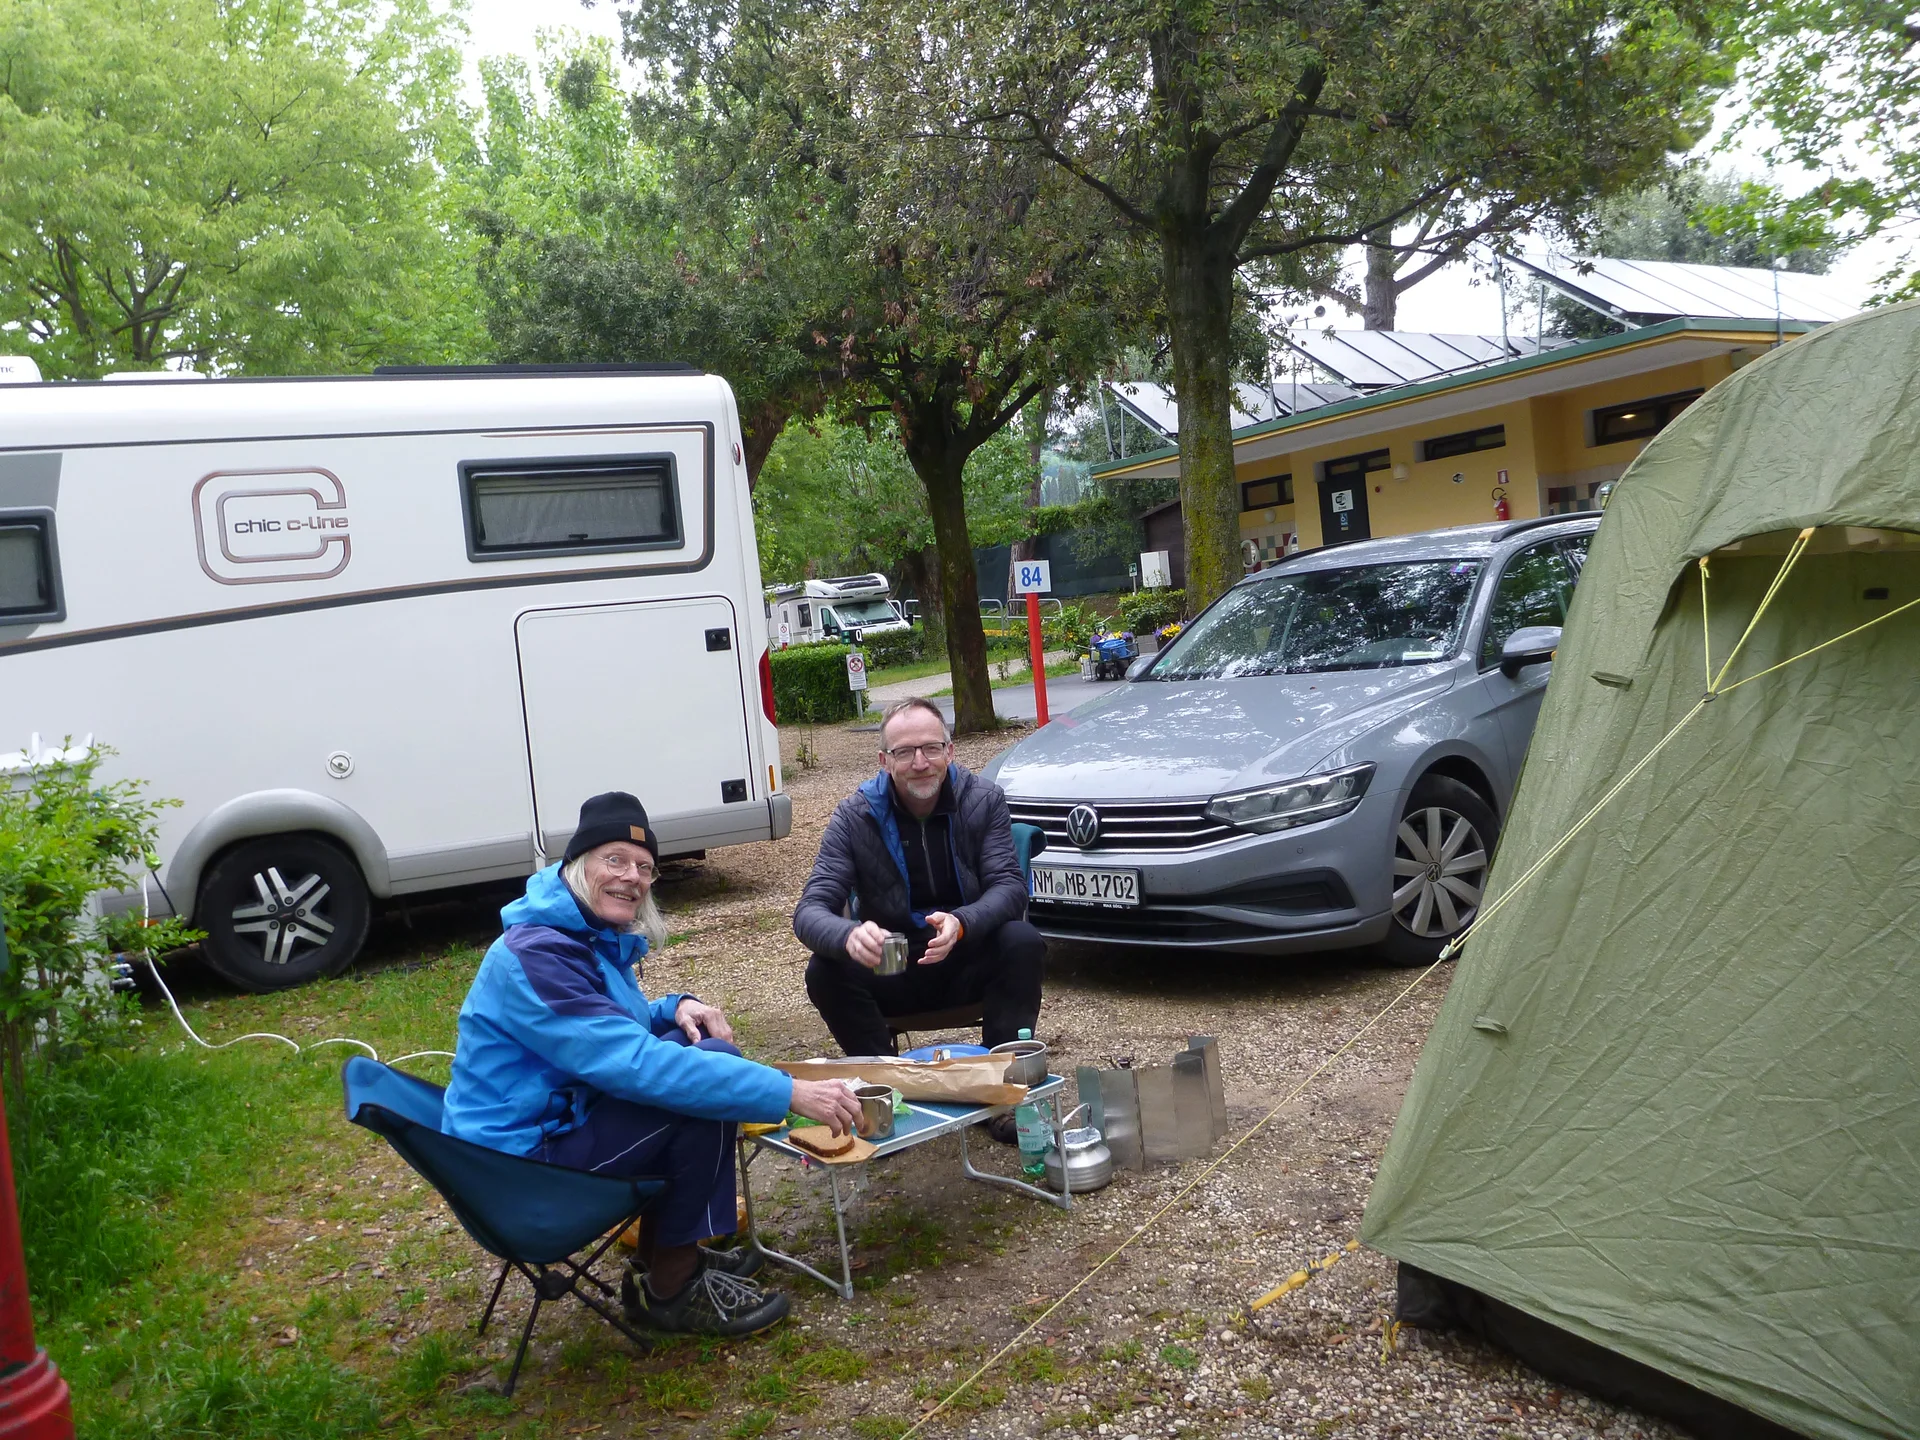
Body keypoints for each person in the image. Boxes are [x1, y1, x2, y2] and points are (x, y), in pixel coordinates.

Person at [442, 791, 861, 1337]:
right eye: (614, 860)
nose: (632, 878)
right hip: (515, 1176)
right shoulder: (537, 957)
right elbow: (636, 1063)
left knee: (704, 1060)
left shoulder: (578, 938)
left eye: (645, 868)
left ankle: (670, 1252)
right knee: (698, 1088)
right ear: (576, 867)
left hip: (542, 1135)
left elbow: (613, 1021)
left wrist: (676, 1005)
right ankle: (670, 1288)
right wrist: (789, 1091)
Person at [794, 697, 1045, 1131]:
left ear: (950, 751)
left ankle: (999, 1092)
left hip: (966, 956)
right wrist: (848, 935)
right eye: (904, 752)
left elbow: (1009, 886)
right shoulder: (855, 816)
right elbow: (810, 910)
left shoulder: (983, 799)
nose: (920, 762)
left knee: (1022, 942)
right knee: (824, 970)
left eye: (931, 748)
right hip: (893, 968)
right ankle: (887, 1095)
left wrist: (963, 922)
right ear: (884, 761)